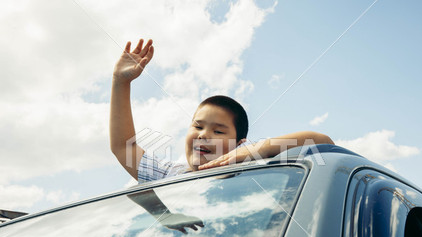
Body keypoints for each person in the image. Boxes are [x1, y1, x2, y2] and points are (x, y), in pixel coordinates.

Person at [110, 39, 334, 183]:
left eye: (218, 132)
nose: (203, 134)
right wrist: (121, 82)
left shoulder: (252, 171)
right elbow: (122, 147)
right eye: (197, 126)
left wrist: (251, 152)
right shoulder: (170, 175)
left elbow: (321, 140)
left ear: (239, 143)